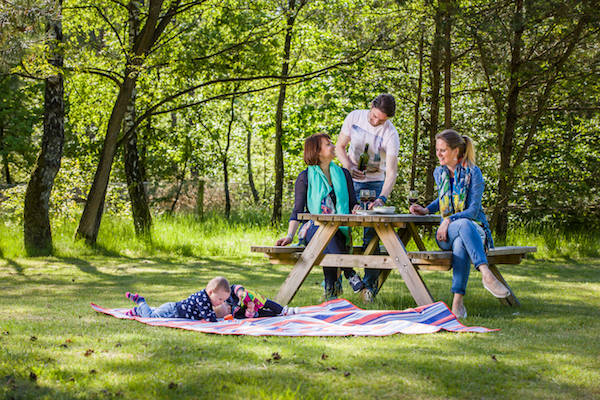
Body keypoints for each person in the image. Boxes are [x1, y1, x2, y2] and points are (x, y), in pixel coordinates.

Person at [409, 129, 510, 319]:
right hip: (446, 235)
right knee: (461, 227)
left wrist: (448, 220)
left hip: (474, 230)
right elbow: (444, 199)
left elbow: (473, 211)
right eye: (437, 150)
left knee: (461, 239)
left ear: (456, 151)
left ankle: (457, 304)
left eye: (443, 150)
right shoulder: (440, 172)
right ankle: (486, 273)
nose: (438, 154)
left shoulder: (473, 172)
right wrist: (426, 210)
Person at [276, 133, 363, 300]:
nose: (332, 146)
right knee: (323, 232)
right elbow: (297, 211)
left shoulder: (344, 174)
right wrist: (289, 236)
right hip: (312, 229)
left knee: (330, 237)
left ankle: (331, 292)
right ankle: (350, 273)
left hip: (339, 230)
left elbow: (352, 203)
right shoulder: (305, 177)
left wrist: (356, 208)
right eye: (328, 144)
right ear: (317, 152)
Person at [335, 93, 400, 300]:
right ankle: (337, 283)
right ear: (370, 107)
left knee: (371, 235)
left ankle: (369, 289)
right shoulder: (354, 117)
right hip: (349, 179)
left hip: (375, 183)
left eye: (381, 120)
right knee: (339, 228)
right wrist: (349, 166)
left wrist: (382, 198)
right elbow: (339, 147)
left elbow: (391, 172)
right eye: (374, 116)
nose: (376, 122)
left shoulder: (391, 134)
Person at [123, 276, 231, 322]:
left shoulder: (206, 299)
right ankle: (141, 302)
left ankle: (137, 311)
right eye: (220, 299)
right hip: (172, 311)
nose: (221, 303)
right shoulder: (203, 299)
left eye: (223, 300)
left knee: (152, 314)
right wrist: (222, 322)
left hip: (172, 309)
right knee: (150, 317)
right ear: (211, 292)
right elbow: (209, 318)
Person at [215, 284, 298, 319]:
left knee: (267, 303)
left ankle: (283, 310)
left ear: (223, 302)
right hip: (253, 311)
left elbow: (235, 287)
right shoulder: (235, 315)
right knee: (265, 314)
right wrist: (250, 310)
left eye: (227, 307)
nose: (229, 308)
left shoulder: (229, 296)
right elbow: (246, 317)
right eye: (228, 311)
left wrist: (240, 292)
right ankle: (277, 315)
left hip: (252, 299)